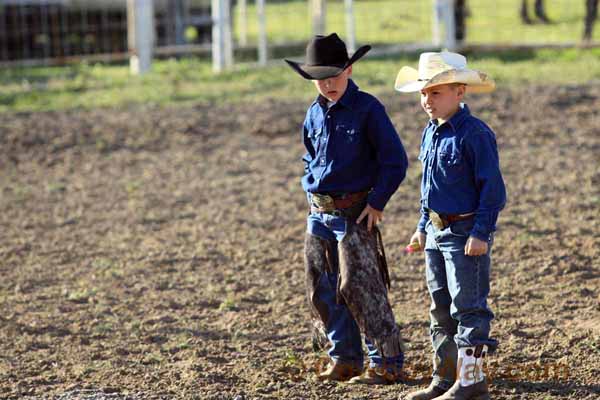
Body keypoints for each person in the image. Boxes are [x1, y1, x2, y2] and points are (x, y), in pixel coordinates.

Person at [284, 33, 409, 384]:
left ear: (349, 70)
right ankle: (345, 358)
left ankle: (386, 360)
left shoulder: (368, 109)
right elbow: (310, 156)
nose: (328, 84)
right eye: (320, 79)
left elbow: (395, 161)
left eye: (334, 76)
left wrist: (377, 202)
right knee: (321, 286)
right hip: (319, 212)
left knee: (360, 284)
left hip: (354, 211)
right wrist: (310, 188)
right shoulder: (313, 113)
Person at [394, 52, 506, 400]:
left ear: (460, 91)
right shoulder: (431, 133)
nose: (428, 100)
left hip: (464, 232)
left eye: (436, 92)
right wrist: (421, 226)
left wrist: (480, 232)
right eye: (424, 93)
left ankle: (471, 382)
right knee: (440, 307)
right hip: (436, 231)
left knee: (468, 307)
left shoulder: (476, 135)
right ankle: (445, 378)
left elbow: (493, 188)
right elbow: (428, 189)